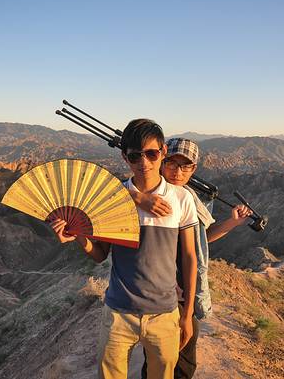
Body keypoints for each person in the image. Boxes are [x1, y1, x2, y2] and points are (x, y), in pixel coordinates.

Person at [50, 119, 198, 379]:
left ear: (163, 151)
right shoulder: (113, 200)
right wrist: (78, 236)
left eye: (151, 154)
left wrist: (187, 315)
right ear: (124, 157)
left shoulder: (181, 198)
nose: (144, 162)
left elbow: (189, 258)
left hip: (164, 313)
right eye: (135, 156)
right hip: (119, 312)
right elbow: (99, 255)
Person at [133, 137, 252, 379]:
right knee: (168, 358)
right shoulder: (152, 197)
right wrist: (138, 197)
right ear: (162, 161)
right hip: (161, 289)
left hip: (183, 287)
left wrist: (232, 223)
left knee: (178, 355)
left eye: (185, 166)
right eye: (172, 163)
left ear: (193, 168)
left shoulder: (188, 197)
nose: (177, 172)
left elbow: (201, 239)